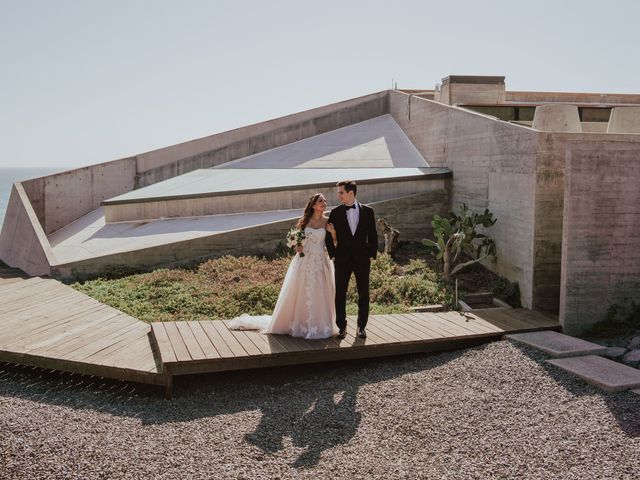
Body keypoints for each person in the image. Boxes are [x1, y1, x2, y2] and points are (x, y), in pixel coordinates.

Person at [228, 193, 339, 339]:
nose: (324, 202)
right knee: (301, 292)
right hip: (304, 260)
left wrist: (334, 232)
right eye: (320, 201)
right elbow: (297, 242)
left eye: (325, 200)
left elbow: (336, 243)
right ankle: (301, 324)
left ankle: (320, 325)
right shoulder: (305, 221)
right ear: (313, 205)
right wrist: (297, 246)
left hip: (321, 261)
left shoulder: (329, 221)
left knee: (321, 292)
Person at [325, 180, 378, 339]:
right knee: (340, 293)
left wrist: (372, 254)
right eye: (339, 192)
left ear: (351, 193)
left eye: (341, 192)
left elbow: (373, 235)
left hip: (362, 259)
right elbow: (328, 235)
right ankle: (341, 326)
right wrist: (333, 254)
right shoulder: (335, 213)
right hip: (342, 259)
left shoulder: (368, 211)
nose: (339, 195)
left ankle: (361, 327)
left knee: (364, 293)